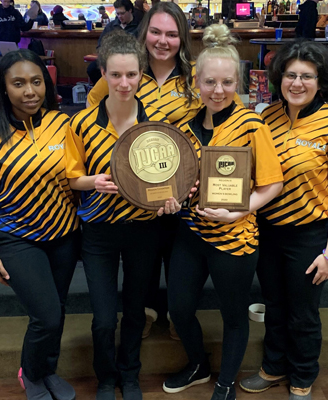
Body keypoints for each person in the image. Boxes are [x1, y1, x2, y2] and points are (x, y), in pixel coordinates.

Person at [87, 1, 244, 339]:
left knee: (177, 254)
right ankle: (144, 310)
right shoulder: (126, 71)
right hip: (132, 188)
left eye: (172, 34)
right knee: (141, 257)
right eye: (155, 31)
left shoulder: (193, 77)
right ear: (144, 33)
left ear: (182, 38)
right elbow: (95, 116)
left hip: (184, 189)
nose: (162, 40)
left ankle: (177, 312)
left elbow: (231, 114)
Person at [162, 23, 283, 400]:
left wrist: (240, 212)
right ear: (196, 81)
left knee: (234, 315)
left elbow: (272, 184)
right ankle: (198, 364)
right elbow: (174, 180)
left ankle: (226, 381)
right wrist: (169, 199)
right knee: (179, 309)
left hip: (235, 237)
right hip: (191, 234)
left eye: (227, 83)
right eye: (210, 82)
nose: (218, 91)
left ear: (238, 83)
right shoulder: (182, 125)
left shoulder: (252, 124)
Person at [239, 40, 328, 400]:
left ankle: (303, 376)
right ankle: (273, 367)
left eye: (307, 76)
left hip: (310, 235)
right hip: (268, 230)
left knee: (303, 313)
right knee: (274, 304)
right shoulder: (266, 118)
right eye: (290, 74)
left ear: (320, 81)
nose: (296, 83)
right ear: (280, 77)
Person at [0, 49, 80, 400]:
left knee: (58, 310)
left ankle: (48, 369)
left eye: (36, 82)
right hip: (17, 238)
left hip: (63, 234)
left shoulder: (63, 124)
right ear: (3, 88)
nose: (29, 91)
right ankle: (30, 373)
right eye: (18, 84)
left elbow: (77, 179)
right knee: (45, 316)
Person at [66, 30, 171, 400]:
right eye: (116, 75)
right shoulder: (81, 124)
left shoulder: (157, 125)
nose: (124, 83)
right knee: (104, 319)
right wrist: (91, 181)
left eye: (131, 75)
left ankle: (130, 375)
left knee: (136, 312)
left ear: (142, 74)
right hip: (98, 233)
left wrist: (170, 199)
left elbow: (170, 176)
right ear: (103, 75)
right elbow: (71, 176)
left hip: (144, 229)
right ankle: (106, 378)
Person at [86, 0, 141, 85]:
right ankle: (107, 90)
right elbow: (100, 46)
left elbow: (142, 48)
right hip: (111, 59)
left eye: (122, 13)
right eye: (117, 14)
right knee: (92, 69)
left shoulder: (139, 27)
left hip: (131, 60)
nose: (120, 17)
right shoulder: (111, 26)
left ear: (130, 10)